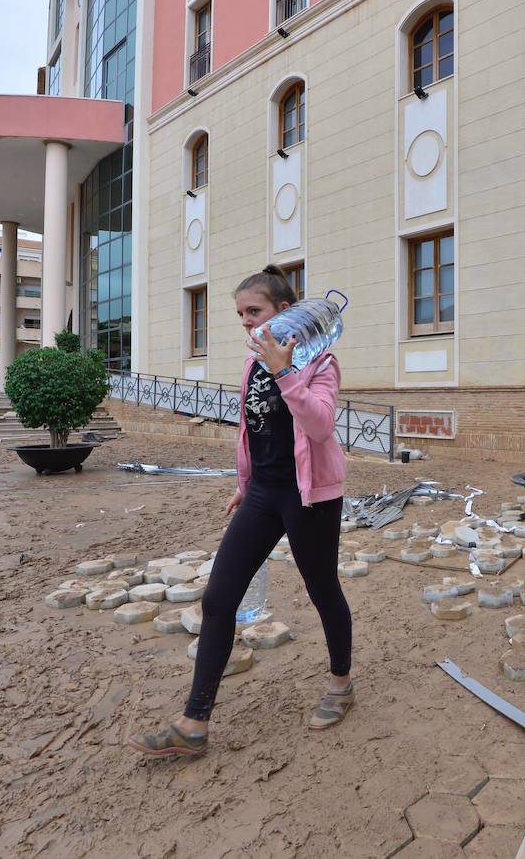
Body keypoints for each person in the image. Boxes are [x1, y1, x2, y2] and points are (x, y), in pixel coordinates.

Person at [129, 266, 353, 757]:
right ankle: (193, 724)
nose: (249, 324)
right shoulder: (255, 363)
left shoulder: (320, 362)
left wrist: (285, 373)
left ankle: (340, 684)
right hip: (263, 494)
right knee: (219, 598)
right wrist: (244, 482)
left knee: (322, 589)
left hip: (308, 495)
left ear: (285, 311)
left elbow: (318, 427)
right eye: (240, 316)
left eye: (256, 312)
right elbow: (252, 428)